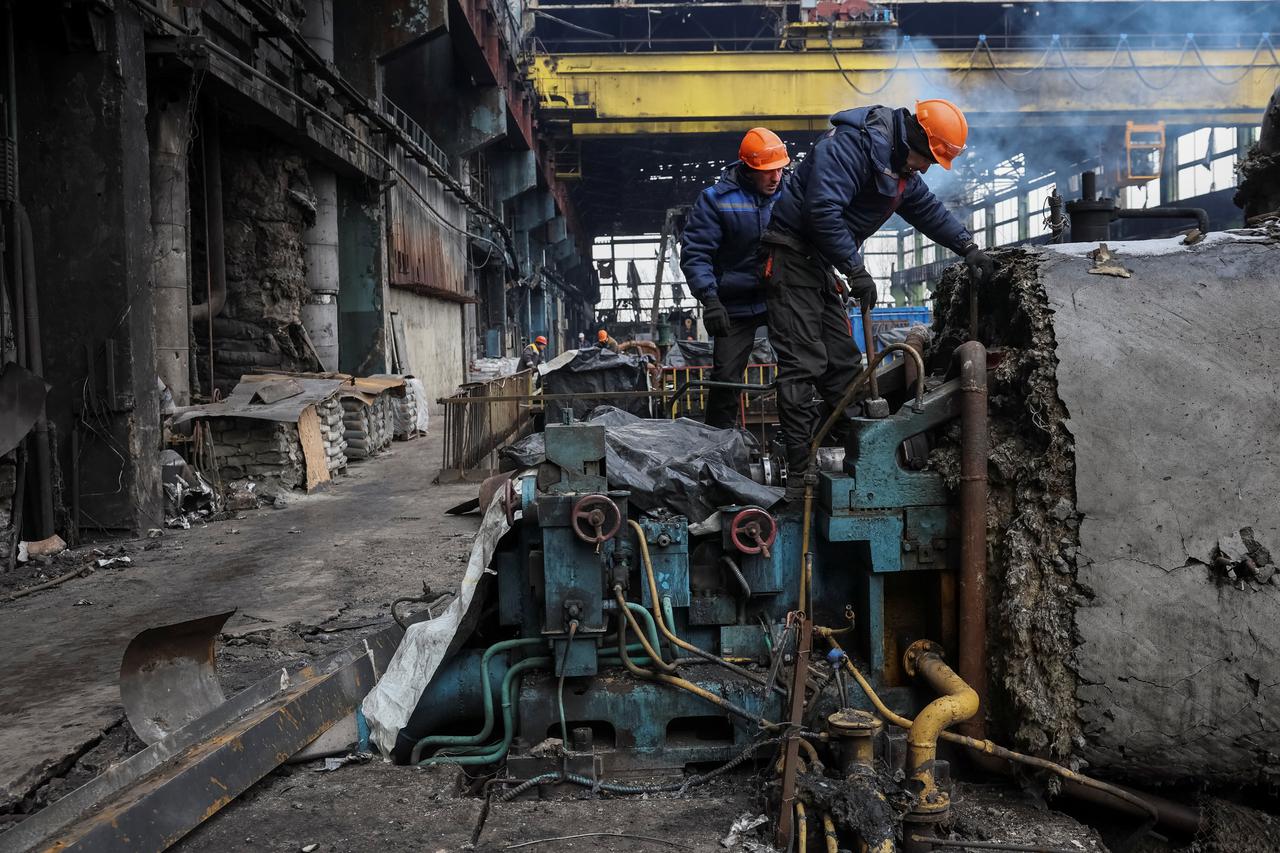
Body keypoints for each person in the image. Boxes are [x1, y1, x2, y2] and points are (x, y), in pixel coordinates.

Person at [761, 99, 994, 498]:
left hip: (819, 262)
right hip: (792, 256)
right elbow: (822, 212)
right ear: (916, 138)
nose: (926, 168)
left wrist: (967, 247)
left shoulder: (899, 166)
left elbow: (928, 211)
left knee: (843, 363)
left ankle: (864, 459)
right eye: (929, 159)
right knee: (803, 363)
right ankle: (799, 474)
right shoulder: (850, 148)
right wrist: (855, 269)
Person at [680, 127, 790, 429]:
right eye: (767, 171)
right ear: (748, 167)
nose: (775, 178)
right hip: (734, 304)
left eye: (780, 170)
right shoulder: (716, 200)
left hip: (779, 297)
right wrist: (710, 298)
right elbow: (696, 254)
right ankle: (718, 448)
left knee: (798, 370)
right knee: (726, 379)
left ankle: (800, 445)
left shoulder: (793, 194)